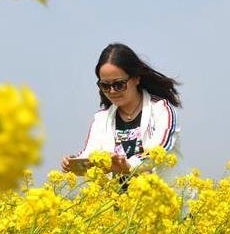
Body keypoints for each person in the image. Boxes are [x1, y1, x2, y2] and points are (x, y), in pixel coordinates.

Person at [61, 43, 182, 185]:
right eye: (105, 86)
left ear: (136, 78)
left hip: (158, 202)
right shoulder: (101, 119)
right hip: (115, 203)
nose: (112, 91)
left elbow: (160, 148)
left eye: (119, 85)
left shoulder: (161, 110)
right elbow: (91, 153)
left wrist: (129, 165)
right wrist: (74, 162)